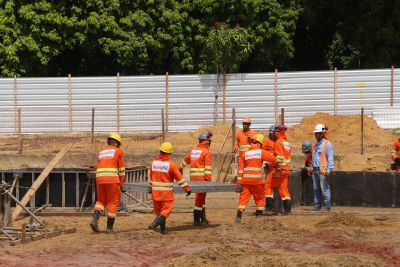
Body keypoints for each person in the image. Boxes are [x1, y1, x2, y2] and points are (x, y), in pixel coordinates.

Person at [149, 142, 191, 234]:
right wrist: (187, 189)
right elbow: (179, 178)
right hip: (166, 194)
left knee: (159, 213)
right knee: (165, 212)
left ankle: (162, 230)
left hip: (155, 193)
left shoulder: (153, 163)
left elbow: (151, 177)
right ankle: (154, 224)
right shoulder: (171, 165)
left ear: (160, 151)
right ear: (169, 153)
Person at [235, 133, 276, 223]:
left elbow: (240, 169)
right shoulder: (261, 152)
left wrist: (239, 182)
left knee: (243, 198)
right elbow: (273, 159)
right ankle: (258, 216)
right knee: (260, 198)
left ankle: (238, 216)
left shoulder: (244, 154)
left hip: (245, 181)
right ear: (260, 143)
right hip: (257, 180)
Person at [90, 133, 125, 233]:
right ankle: (109, 228)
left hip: (99, 179)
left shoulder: (102, 152)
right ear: (117, 143)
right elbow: (122, 170)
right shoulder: (118, 151)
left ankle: (95, 220)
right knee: (113, 202)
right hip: (112, 180)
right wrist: (121, 183)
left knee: (101, 201)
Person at [179, 132, 213, 226]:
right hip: (202, 179)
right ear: (208, 142)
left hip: (193, 179)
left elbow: (185, 161)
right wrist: (208, 181)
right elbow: (208, 169)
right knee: (199, 199)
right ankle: (196, 220)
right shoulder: (207, 152)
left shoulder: (193, 151)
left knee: (200, 198)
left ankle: (203, 219)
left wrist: (179, 168)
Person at [264, 125, 292, 215]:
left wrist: (269, 164)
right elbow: (285, 158)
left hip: (279, 169)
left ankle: (269, 208)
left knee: (268, 185)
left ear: (276, 133)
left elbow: (279, 159)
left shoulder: (278, 142)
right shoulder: (286, 142)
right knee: (283, 189)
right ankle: (287, 210)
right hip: (286, 169)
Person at [311, 124, 334, 211]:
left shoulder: (328, 144)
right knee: (316, 188)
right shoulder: (316, 145)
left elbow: (330, 158)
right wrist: (311, 167)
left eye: (317, 133)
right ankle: (317, 205)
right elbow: (314, 157)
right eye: (315, 133)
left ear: (322, 134)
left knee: (324, 188)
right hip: (315, 169)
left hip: (323, 170)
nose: (316, 135)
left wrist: (329, 169)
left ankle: (327, 206)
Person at [300, 140, 313, 205]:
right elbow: (307, 164)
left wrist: (310, 169)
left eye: (306, 152)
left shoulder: (315, 154)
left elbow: (317, 164)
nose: (305, 153)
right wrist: (305, 167)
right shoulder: (309, 155)